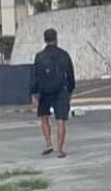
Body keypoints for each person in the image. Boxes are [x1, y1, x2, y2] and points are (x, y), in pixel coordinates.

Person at [31, 28, 75, 159]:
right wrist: (71, 89)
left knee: (44, 118)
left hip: (44, 91)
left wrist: (34, 92)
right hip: (61, 90)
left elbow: (35, 76)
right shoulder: (64, 55)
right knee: (60, 119)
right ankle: (60, 150)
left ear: (45, 40)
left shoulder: (39, 56)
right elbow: (70, 74)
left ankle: (48, 144)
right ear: (56, 38)